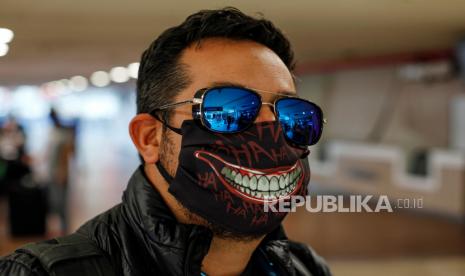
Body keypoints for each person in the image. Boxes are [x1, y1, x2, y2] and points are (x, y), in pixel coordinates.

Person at [0, 7, 330, 275]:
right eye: (226, 108)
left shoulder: (305, 267)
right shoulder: (42, 272)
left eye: (292, 114)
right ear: (150, 138)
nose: (271, 132)